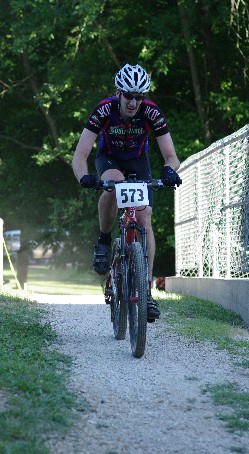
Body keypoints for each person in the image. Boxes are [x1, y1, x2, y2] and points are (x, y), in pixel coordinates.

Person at [72, 64, 181, 320]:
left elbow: (171, 156)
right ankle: (104, 239)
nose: (133, 102)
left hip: (137, 160)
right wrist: (84, 177)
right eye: (129, 95)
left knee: (145, 217)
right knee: (114, 185)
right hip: (108, 158)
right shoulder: (105, 109)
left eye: (139, 97)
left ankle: (147, 293)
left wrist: (169, 170)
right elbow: (80, 154)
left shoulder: (151, 112)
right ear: (119, 93)